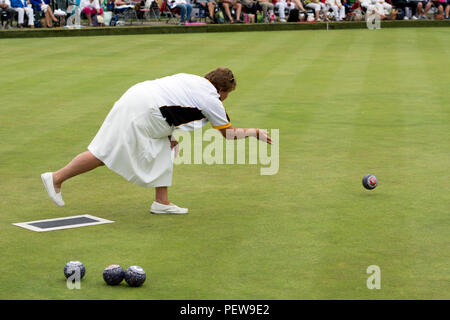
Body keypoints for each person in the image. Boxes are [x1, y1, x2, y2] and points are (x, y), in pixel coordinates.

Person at [41, 68, 272, 214]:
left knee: (165, 146)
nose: (225, 98)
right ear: (221, 89)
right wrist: (256, 132)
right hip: (146, 110)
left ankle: (161, 202)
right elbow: (229, 134)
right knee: (105, 153)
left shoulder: (191, 79)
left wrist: (170, 135)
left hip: (137, 96)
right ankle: (57, 178)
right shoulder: (212, 99)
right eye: (227, 93)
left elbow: (172, 103)